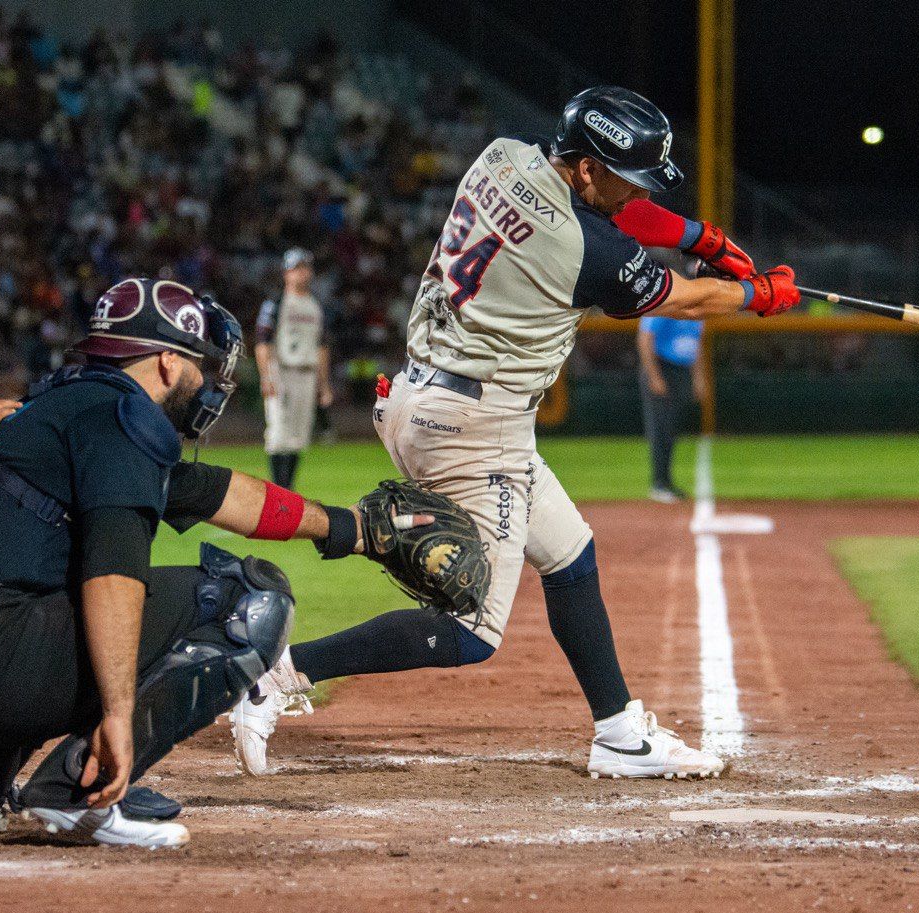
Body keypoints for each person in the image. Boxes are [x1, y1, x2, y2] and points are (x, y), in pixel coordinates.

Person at [232, 85, 800, 780]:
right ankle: (278, 675)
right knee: (473, 630)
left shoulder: (504, 157)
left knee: (569, 554)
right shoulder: (580, 247)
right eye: (624, 177)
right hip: (475, 426)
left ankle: (619, 731)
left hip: (430, 393)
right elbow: (680, 295)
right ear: (587, 167)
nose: (633, 194)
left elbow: (627, 216)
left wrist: (700, 237)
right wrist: (755, 294)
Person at [0, 279, 385, 846]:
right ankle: (80, 793)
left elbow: (218, 493)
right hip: (2, 657)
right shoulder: (126, 418)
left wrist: (350, 529)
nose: (209, 384)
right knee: (246, 600)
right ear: (169, 363)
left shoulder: (64, 406)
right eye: (202, 366)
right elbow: (113, 575)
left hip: (1, 649)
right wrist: (118, 713)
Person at [256, 248, 333, 490]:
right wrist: (266, 376)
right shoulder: (276, 303)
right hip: (283, 369)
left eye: (306, 267)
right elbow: (262, 342)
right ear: (286, 272)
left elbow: (321, 347)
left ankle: (287, 490)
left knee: (299, 435)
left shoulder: (314, 306)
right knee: (279, 432)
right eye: (297, 268)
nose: (302, 273)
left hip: (307, 373)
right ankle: (279, 489)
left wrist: (323, 383)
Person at [636, 249, 706, 502]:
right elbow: (645, 339)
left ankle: (666, 483)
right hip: (662, 368)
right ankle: (659, 483)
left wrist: (698, 378)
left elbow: (696, 344)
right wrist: (654, 376)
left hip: (680, 370)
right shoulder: (668, 300)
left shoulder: (698, 305)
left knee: (671, 428)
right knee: (661, 429)